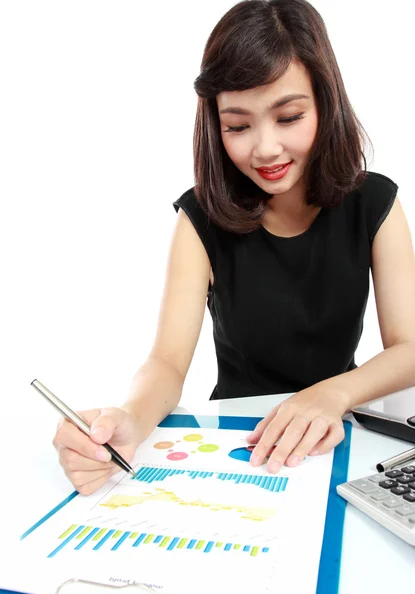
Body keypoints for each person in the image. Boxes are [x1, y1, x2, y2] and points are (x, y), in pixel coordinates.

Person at [53, 0, 415, 495]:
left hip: (332, 432)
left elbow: (410, 348)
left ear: (325, 104)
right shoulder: (198, 219)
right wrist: (130, 420)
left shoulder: (374, 203)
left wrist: (332, 395)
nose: (265, 149)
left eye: (288, 116)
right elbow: (167, 362)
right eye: (238, 126)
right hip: (238, 444)